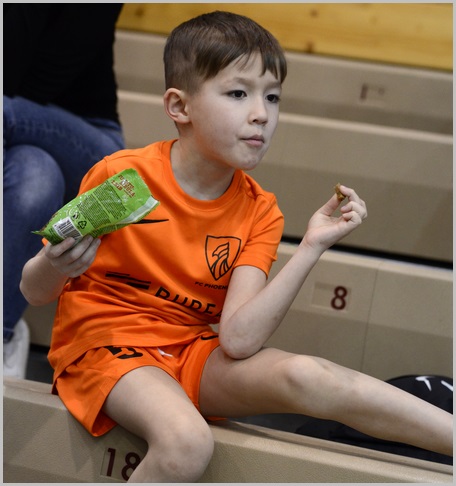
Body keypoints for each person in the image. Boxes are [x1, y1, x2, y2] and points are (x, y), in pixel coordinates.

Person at [20, 11, 452, 482]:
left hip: (189, 350)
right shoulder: (123, 177)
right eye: (238, 94)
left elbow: (239, 340)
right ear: (179, 106)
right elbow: (34, 290)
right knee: (187, 442)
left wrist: (311, 246)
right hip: (103, 344)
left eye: (272, 97)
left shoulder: (261, 211)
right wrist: (57, 264)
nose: (261, 114)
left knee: (311, 375)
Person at [3, 4, 125, 378]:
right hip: (20, 142)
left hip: (88, 141)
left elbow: (39, 79)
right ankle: (4, 333)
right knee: (36, 178)